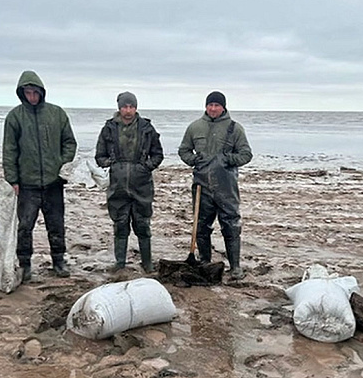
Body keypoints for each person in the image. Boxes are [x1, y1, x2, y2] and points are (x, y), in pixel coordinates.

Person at [3, 70, 77, 281]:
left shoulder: (57, 114)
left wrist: (63, 166)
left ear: (41, 92)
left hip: (54, 182)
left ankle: (59, 260)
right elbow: (9, 150)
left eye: (35, 92)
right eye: (28, 93)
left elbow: (69, 142)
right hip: (27, 184)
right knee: (25, 226)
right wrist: (13, 179)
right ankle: (25, 264)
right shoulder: (15, 117)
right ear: (22, 93)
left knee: (56, 223)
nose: (32, 97)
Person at [178, 91, 252, 280]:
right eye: (210, 105)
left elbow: (246, 155)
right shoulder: (195, 127)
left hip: (227, 187)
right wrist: (194, 160)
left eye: (216, 105)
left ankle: (235, 267)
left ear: (223, 107)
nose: (213, 108)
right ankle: (205, 262)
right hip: (202, 186)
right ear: (206, 106)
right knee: (201, 226)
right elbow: (183, 150)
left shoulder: (235, 129)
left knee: (231, 225)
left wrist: (227, 159)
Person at [95, 92, 164, 273]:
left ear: (136, 107)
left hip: (141, 184)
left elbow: (158, 154)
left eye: (131, 107)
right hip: (117, 184)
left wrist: (146, 167)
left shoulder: (146, 128)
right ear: (119, 107)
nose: (128, 110)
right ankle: (120, 263)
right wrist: (109, 164)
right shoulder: (109, 128)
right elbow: (99, 155)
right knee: (120, 224)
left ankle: (147, 262)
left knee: (142, 224)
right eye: (125, 107)